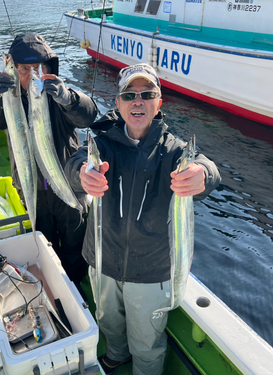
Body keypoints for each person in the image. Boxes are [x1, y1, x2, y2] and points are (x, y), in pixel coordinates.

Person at [64, 63, 221, 375]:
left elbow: (205, 166)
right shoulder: (102, 143)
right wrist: (82, 173)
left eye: (147, 94)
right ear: (119, 103)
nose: (138, 101)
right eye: (129, 94)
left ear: (158, 103)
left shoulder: (174, 151)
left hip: (151, 271)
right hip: (104, 260)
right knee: (108, 319)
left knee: (147, 340)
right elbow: (76, 162)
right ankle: (117, 355)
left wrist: (202, 174)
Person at [0, 33, 98, 286]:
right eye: (24, 69)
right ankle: (51, 287)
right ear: (14, 72)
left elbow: (88, 115)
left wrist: (69, 98)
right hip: (32, 191)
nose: (32, 74)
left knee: (75, 246)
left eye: (39, 68)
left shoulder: (60, 97)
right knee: (42, 245)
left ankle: (76, 287)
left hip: (68, 186)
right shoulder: (9, 102)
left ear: (49, 69)